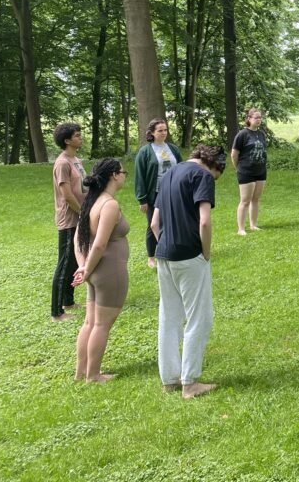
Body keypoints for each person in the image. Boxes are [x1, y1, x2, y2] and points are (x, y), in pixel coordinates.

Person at [150, 144, 226, 399]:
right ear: (215, 166)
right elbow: (204, 220)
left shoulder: (170, 172)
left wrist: (166, 243)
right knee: (199, 318)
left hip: (163, 254)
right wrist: (205, 253)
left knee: (169, 317)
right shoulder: (202, 176)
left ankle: (169, 379)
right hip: (189, 255)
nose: (214, 180)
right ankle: (189, 383)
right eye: (217, 177)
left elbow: (154, 222)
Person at [72, 158, 130, 383]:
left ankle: (81, 372)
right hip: (109, 272)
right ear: (114, 175)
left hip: (95, 270)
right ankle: (94, 375)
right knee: (101, 325)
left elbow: (78, 238)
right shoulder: (109, 205)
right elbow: (99, 244)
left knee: (89, 322)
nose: (125, 176)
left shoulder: (92, 201)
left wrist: (83, 266)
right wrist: (86, 268)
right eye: (123, 172)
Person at [134, 118, 182, 269]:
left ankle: (175, 249)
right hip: (154, 194)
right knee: (153, 224)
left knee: (174, 221)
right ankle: (151, 257)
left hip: (173, 192)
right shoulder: (145, 151)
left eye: (165, 130)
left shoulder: (173, 149)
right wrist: (142, 200)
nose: (163, 133)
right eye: (160, 130)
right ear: (152, 133)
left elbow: (181, 168)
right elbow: (139, 176)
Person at [51, 122, 86, 322]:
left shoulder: (76, 160)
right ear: (67, 140)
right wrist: (81, 213)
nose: (80, 138)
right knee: (64, 263)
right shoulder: (62, 163)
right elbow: (67, 195)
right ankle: (56, 312)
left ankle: (69, 301)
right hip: (69, 218)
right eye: (77, 135)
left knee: (74, 260)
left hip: (80, 216)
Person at [231, 107, 267, 234]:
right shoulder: (242, 134)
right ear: (249, 119)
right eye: (256, 117)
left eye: (260, 117)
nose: (259, 120)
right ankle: (241, 229)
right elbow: (234, 154)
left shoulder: (261, 133)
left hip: (261, 171)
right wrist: (238, 168)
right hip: (246, 171)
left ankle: (253, 225)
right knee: (245, 200)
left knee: (256, 199)